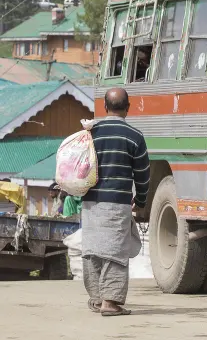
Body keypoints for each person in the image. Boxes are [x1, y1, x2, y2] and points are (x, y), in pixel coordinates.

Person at [81, 88, 150, 316]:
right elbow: (143, 174)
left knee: (93, 250)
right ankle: (110, 303)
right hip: (118, 203)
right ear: (128, 108)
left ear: (104, 107)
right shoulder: (134, 136)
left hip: (90, 202)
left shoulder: (91, 133)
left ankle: (97, 298)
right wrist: (140, 200)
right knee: (115, 251)